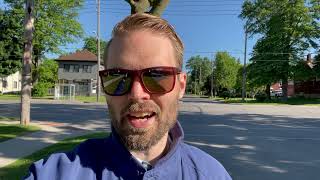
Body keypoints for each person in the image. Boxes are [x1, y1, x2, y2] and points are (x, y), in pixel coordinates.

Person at [25, 13, 232, 180]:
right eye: (117, 77)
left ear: (181, 85)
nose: (136, 94)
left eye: (157, 76)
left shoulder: (212, 174)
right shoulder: (55, 173)